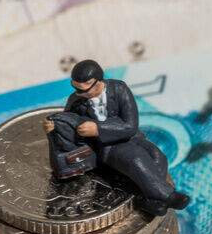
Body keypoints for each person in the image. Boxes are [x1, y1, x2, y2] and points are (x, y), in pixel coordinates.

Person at [43, 59, 190, 216]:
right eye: (76, 88)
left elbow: (130, 125)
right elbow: (67, 121)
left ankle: (151, 202)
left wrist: (98, 128)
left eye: (83, 90)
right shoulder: (76, 101)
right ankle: (168, 195)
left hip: (132, 136)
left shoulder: (119, 89)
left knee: (158, 157)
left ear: (98, 83)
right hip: (106, 147)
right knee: (136, 159)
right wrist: (54, 126)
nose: (79, 94)